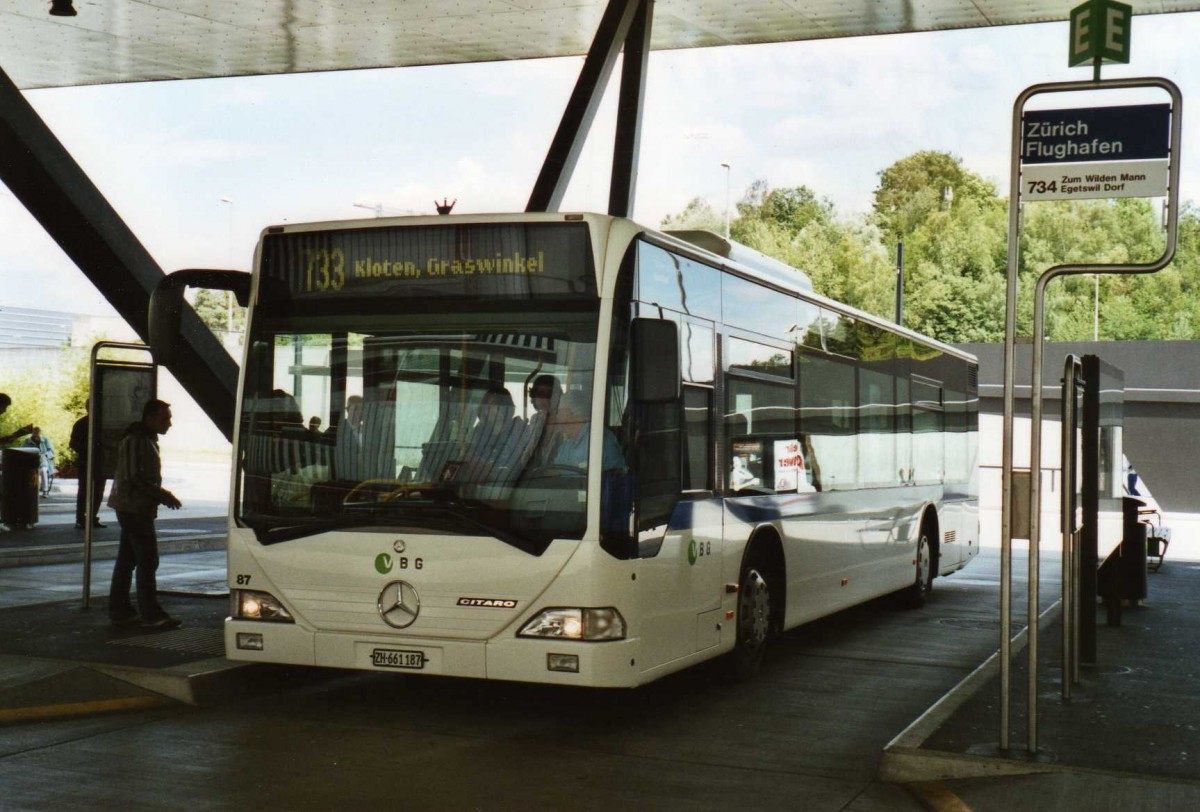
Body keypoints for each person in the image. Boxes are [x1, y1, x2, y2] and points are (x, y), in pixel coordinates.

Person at [107, 399, 183, 629]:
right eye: (164, 418)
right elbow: (134, 477)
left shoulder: (142, 439)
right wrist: (163, 495)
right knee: (148, 560)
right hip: (134, 508)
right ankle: (151, 614)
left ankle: (121, 611)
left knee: (128, 560)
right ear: (149, 418)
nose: (169, 423)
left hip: (132, 507)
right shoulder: (137, 441)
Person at [535, 390, 625, 472]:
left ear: (568, 413)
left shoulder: (599, 439)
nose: (557, 418)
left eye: (559, 412)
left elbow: (593, 479)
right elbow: (555, 471)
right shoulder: (567, 444)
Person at [70, 409, 107, 528]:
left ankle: (85, 518)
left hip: (88, 461)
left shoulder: (81, 423)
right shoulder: (100, 423)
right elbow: (73, 443)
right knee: (91, 491)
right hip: (93, 461)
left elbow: (73, 443)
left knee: (92, 491)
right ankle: (84, 518)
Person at [22, 426, 56, 498]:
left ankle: (45, 491)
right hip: (30, 463)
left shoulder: (45, 440)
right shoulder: (27, 441)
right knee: (28, 473)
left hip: (43, 462)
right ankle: (29, 491)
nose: (36, 433)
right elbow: (22, 451)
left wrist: (44, 455)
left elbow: (51, 451)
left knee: (43, 472)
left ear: (40, 432)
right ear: (32, 432)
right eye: (35, 431)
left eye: (38, 431)